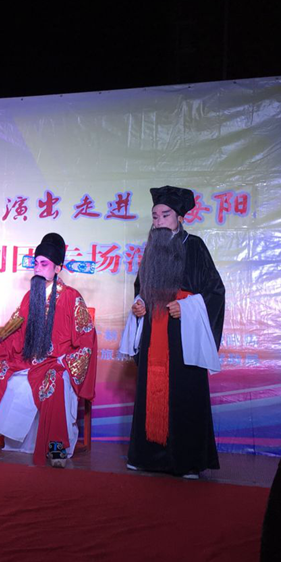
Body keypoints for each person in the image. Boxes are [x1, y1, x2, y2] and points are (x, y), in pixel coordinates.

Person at [0, 232, 97, 467]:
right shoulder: (30, 297)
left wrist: (65, 361)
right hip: (26, 358)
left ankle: (56, 444)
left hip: (55, 362)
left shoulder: (72, 298)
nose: (37, 268)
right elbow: (14, 328)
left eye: (44, 264)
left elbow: (86, 339)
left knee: (54, 383)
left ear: (58, 268)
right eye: (36, 263)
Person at [120, 186, 225, 479]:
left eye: (165, 215)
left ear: (179, 217)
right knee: (149, 391)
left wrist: (188, 307)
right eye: (155, 216)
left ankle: (187, 460)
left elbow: (215, 291)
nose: (159, 222)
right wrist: (140, 304)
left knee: (184, 393)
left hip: (184, 332)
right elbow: (142, 288)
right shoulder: (152, 248)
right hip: (154, 328)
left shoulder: (195, 246)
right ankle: (146, 456)